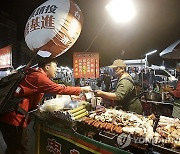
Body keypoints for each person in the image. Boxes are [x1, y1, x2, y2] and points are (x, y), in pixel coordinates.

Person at [0, 57, 92, 154]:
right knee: (19, 149)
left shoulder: (35, 74)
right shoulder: (39, 77)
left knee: (13, 148)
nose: (56, 70)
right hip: (14, 118)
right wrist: (82, 89)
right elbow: (60, 89)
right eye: (55, 67)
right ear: (47, 67)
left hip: (10, 116)